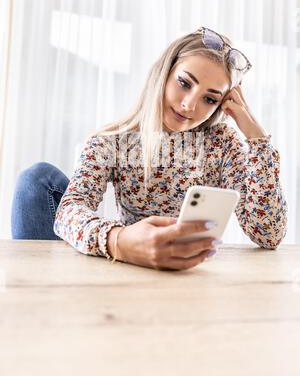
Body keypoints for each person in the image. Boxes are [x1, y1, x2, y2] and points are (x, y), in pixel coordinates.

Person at [11, 27, 287, 270]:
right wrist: (118, 240)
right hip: (129, 265)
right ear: (164, 74)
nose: (190, 105)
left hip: (192, 276)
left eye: (210, 99)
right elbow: (69, 211)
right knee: (36, 178)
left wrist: (256, 137)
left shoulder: (223, 143)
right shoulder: (113, 140)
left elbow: (269, 234)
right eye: (184, 83)